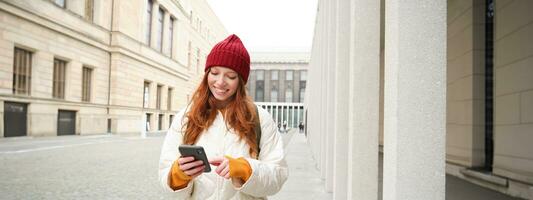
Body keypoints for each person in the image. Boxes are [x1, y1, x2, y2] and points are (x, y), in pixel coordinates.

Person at [158, 34, 288, 199]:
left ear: (240, 81)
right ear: (207, 74)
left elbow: (278, 175)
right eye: (214, 72)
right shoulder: (186, 116)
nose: (220, 82)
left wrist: (246, 169)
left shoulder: (261, 118)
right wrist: (178, 175)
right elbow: (165, 173)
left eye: (231, 76)